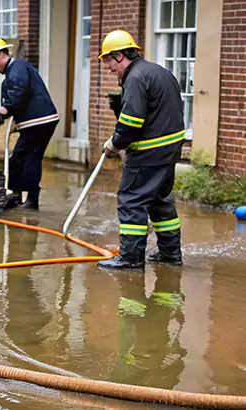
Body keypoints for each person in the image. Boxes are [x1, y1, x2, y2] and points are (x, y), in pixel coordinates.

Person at [96, 29, 185, 270]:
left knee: (131, 200)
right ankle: (170, 253)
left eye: (108, 61)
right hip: (170, 148)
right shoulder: (159, 72)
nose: (108, 68)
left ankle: (131, 258)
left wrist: (115, 143)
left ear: (119, 55)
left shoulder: (135, 78)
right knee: (159, 199)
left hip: (148, 151)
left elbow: (132, 122)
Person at [0, 37, 59, 210]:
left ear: (0, 54)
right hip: (36, 122)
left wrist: (3, 110)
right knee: (19, 159)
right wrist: (4, 116)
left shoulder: (18, 68)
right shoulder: (13, 72)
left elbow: (18, 92)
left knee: (29, 158)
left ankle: (30, 200)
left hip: (40, 121)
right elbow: (18, 100)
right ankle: (16, 196)